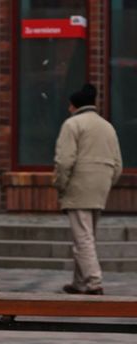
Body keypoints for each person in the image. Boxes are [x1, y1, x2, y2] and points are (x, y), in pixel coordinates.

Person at [55, 82, 123, 295]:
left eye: (70, 106)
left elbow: (65, 160)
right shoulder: (107, 126)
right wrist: (107, 181)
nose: (68, 109)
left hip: (79, 185)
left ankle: (93, 282)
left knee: (82, 238)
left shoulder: (72, 124)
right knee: (87, 234)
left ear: (75, 106)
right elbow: (118, 163)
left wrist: (60, 184)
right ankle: (79, 282)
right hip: (101, 186)